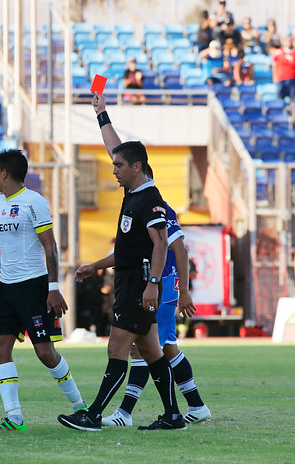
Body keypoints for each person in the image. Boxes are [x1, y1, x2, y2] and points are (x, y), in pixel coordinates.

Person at [57, 93, 184, 432]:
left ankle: (94, 413)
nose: (113, 169)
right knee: (151, 351)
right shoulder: (133, 194)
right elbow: (129, 250)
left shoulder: (150, 200)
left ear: (137, 167)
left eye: (118, 166)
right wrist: (101, 113)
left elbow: (161, 245)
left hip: (139, 285)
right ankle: (173, 415)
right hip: (130, 279)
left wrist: (153, 285)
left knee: (117, 347)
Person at [0, 149, 87, 432]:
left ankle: (80, 407)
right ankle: (14, 418)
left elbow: (51, 247)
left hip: (35, 287)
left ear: (6, 173)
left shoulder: (34, 202)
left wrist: (54, 288)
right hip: (7, 289)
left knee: (45, 352)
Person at [100, 164, 211, 428]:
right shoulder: (141, 206)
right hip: (160, 284)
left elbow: (180, 249)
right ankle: (196, 405)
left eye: (121, 167)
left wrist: (183, 290)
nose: (117, 174)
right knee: (165, 346)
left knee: (144, 347)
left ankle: (125, 413)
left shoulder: (158, 207)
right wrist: (95, 266)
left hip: (162, 285)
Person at [272, 36, 295, 108]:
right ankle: (280, 111)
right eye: (287, 41)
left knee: (292, 97)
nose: (288, 43)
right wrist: (275, 76)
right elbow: (275, 65)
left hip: (293, 78)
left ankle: (292, 112)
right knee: (280, 96)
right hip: (281, 78)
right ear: (284, 42)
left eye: (290, 41)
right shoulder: (278, 52)